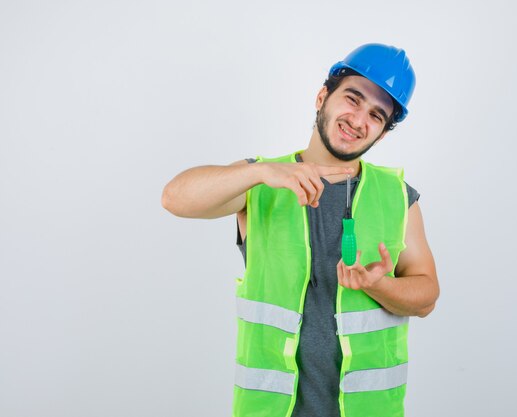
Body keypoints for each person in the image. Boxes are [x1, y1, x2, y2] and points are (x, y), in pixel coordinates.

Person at [162, 43, 439, 417]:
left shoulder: (397, 197)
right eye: (353, 99)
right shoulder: (261, 181)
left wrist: (380, 286)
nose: (358, 121)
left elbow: (426, 297)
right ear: (323, 96)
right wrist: (259, 171)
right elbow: (175, 198)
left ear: (383, 134)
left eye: (376, 115)